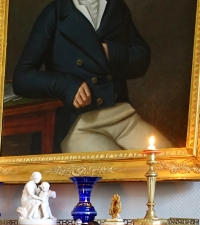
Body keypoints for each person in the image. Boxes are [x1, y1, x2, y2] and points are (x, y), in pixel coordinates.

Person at [12, 0, 172, 153]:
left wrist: (112, 53)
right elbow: (22, 77)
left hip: (123, 117)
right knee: (119, 175)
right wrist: (66, 84)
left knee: (170, 163)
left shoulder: (116, 6)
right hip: (79, 125)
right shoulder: (56, 12)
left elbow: (142, 58)